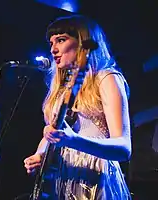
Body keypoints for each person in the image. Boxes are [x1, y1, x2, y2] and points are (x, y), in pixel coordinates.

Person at [24, 15, 132, 199]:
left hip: (97, 178)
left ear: (83, 42)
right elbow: (55, 133)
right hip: (64, 178)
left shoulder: (107, 78)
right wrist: (39, 154)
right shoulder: (60, 89)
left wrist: (73, 140)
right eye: (51, 43)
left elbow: (123, 148)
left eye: (61, 40)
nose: (53, 49)